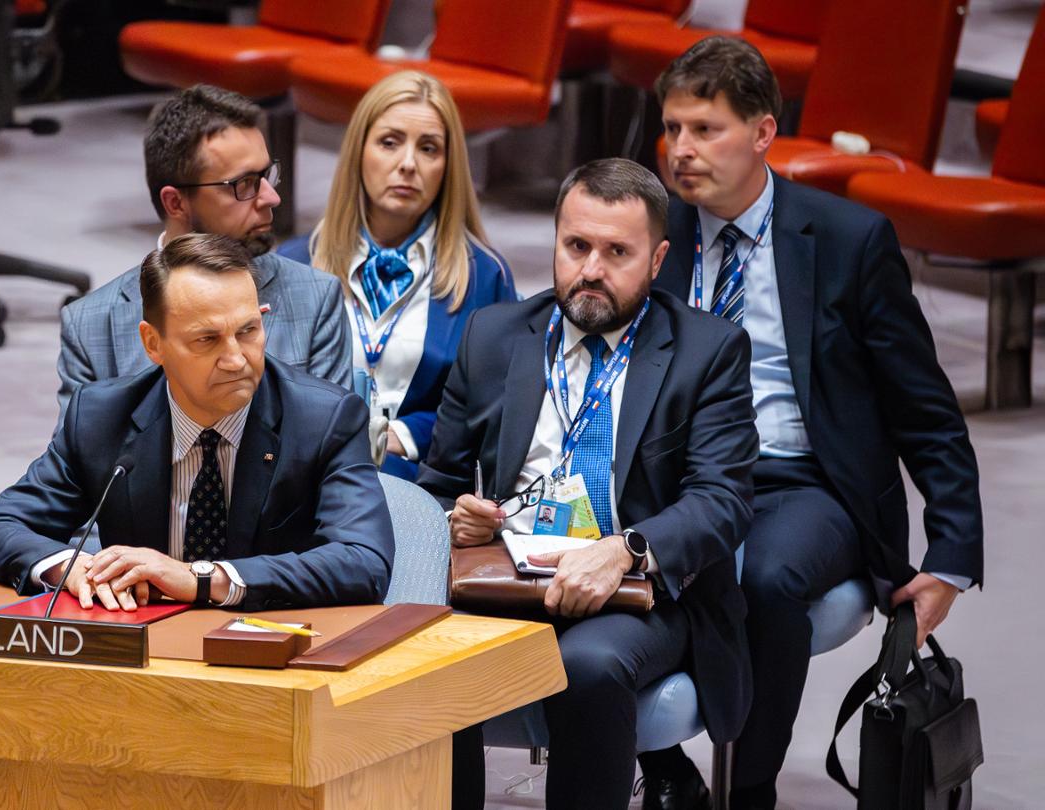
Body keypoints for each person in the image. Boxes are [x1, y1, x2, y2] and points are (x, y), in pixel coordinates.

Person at [636, 36, 985, 810]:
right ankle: (661, 762)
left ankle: (749, 785)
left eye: (705, 129)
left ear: (763, 131)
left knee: (761, 574)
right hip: (685, 474)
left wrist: (953, 554)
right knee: (617, 558)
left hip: (806, 482)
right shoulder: (659, 234)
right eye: (672, 130)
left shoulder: (848, 240)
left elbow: (923, 406)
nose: (681, 151)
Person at [418, 159, 757, 809]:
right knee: (435, 650)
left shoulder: (707, 352)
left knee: (587, 667)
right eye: (576, 247)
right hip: (508, 576)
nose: (591, 270)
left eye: (616, 252)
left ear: (658, 259)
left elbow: (724, 501)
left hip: (641, 592)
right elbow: (438, 484)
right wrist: (458, 519)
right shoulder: (493, 338)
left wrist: (627, 547)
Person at [0, 234, 391, 611]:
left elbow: (364, 560)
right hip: (142, 654)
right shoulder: (101, 418)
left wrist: (202, 579)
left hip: (270, 654)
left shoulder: (324, 419)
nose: (236, 359)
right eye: (207, 339)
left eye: (248, 330)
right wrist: (71, 567)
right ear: (153, 343)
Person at [56, 84, 351, 409]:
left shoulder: (316, 299)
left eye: (268, 175)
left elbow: (331, 446)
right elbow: (81, 455)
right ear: (176, 202)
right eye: (244, 184)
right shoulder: (92, 326)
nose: (272, 197)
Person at [301, 70, 518, 480]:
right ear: (358, 152)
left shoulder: (484, 275)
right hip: (309, 479)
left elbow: (501, 405)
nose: (407, 164)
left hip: (420, 483)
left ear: (448, 165)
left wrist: (400, 435)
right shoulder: (297, 262)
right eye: (389, 142)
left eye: (429, 148)